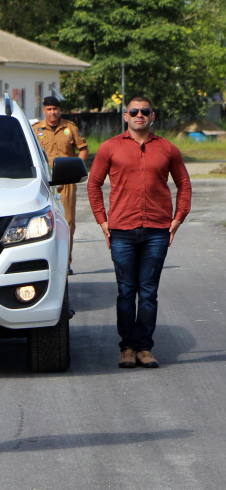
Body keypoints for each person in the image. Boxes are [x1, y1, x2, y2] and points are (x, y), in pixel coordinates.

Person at [87, 96, 191, 370]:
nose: (139, 115)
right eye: (134, 111)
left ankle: (145, 348)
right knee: (125, 291)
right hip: (121, 230)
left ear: (152, 116)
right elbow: (94, 184)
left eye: (145, 111)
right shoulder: (110, 147)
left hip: (157, 230)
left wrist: (178, 218)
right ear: (126, 116)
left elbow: (184, 183)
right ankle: (127, 348)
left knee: (148, 292)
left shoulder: (167, 148)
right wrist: (102, 220)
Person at [32, 96, 88, 275]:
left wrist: (77, 167)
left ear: (59, 110)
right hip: (44, 182)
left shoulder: (69, 128)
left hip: (66, 181)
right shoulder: (36, 129)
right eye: (49, 109)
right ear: (44, 111)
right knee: (41, 223)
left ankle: (66, 262)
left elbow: (83, 149)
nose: (52, 112)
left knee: (68, 222)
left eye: (55, 109)